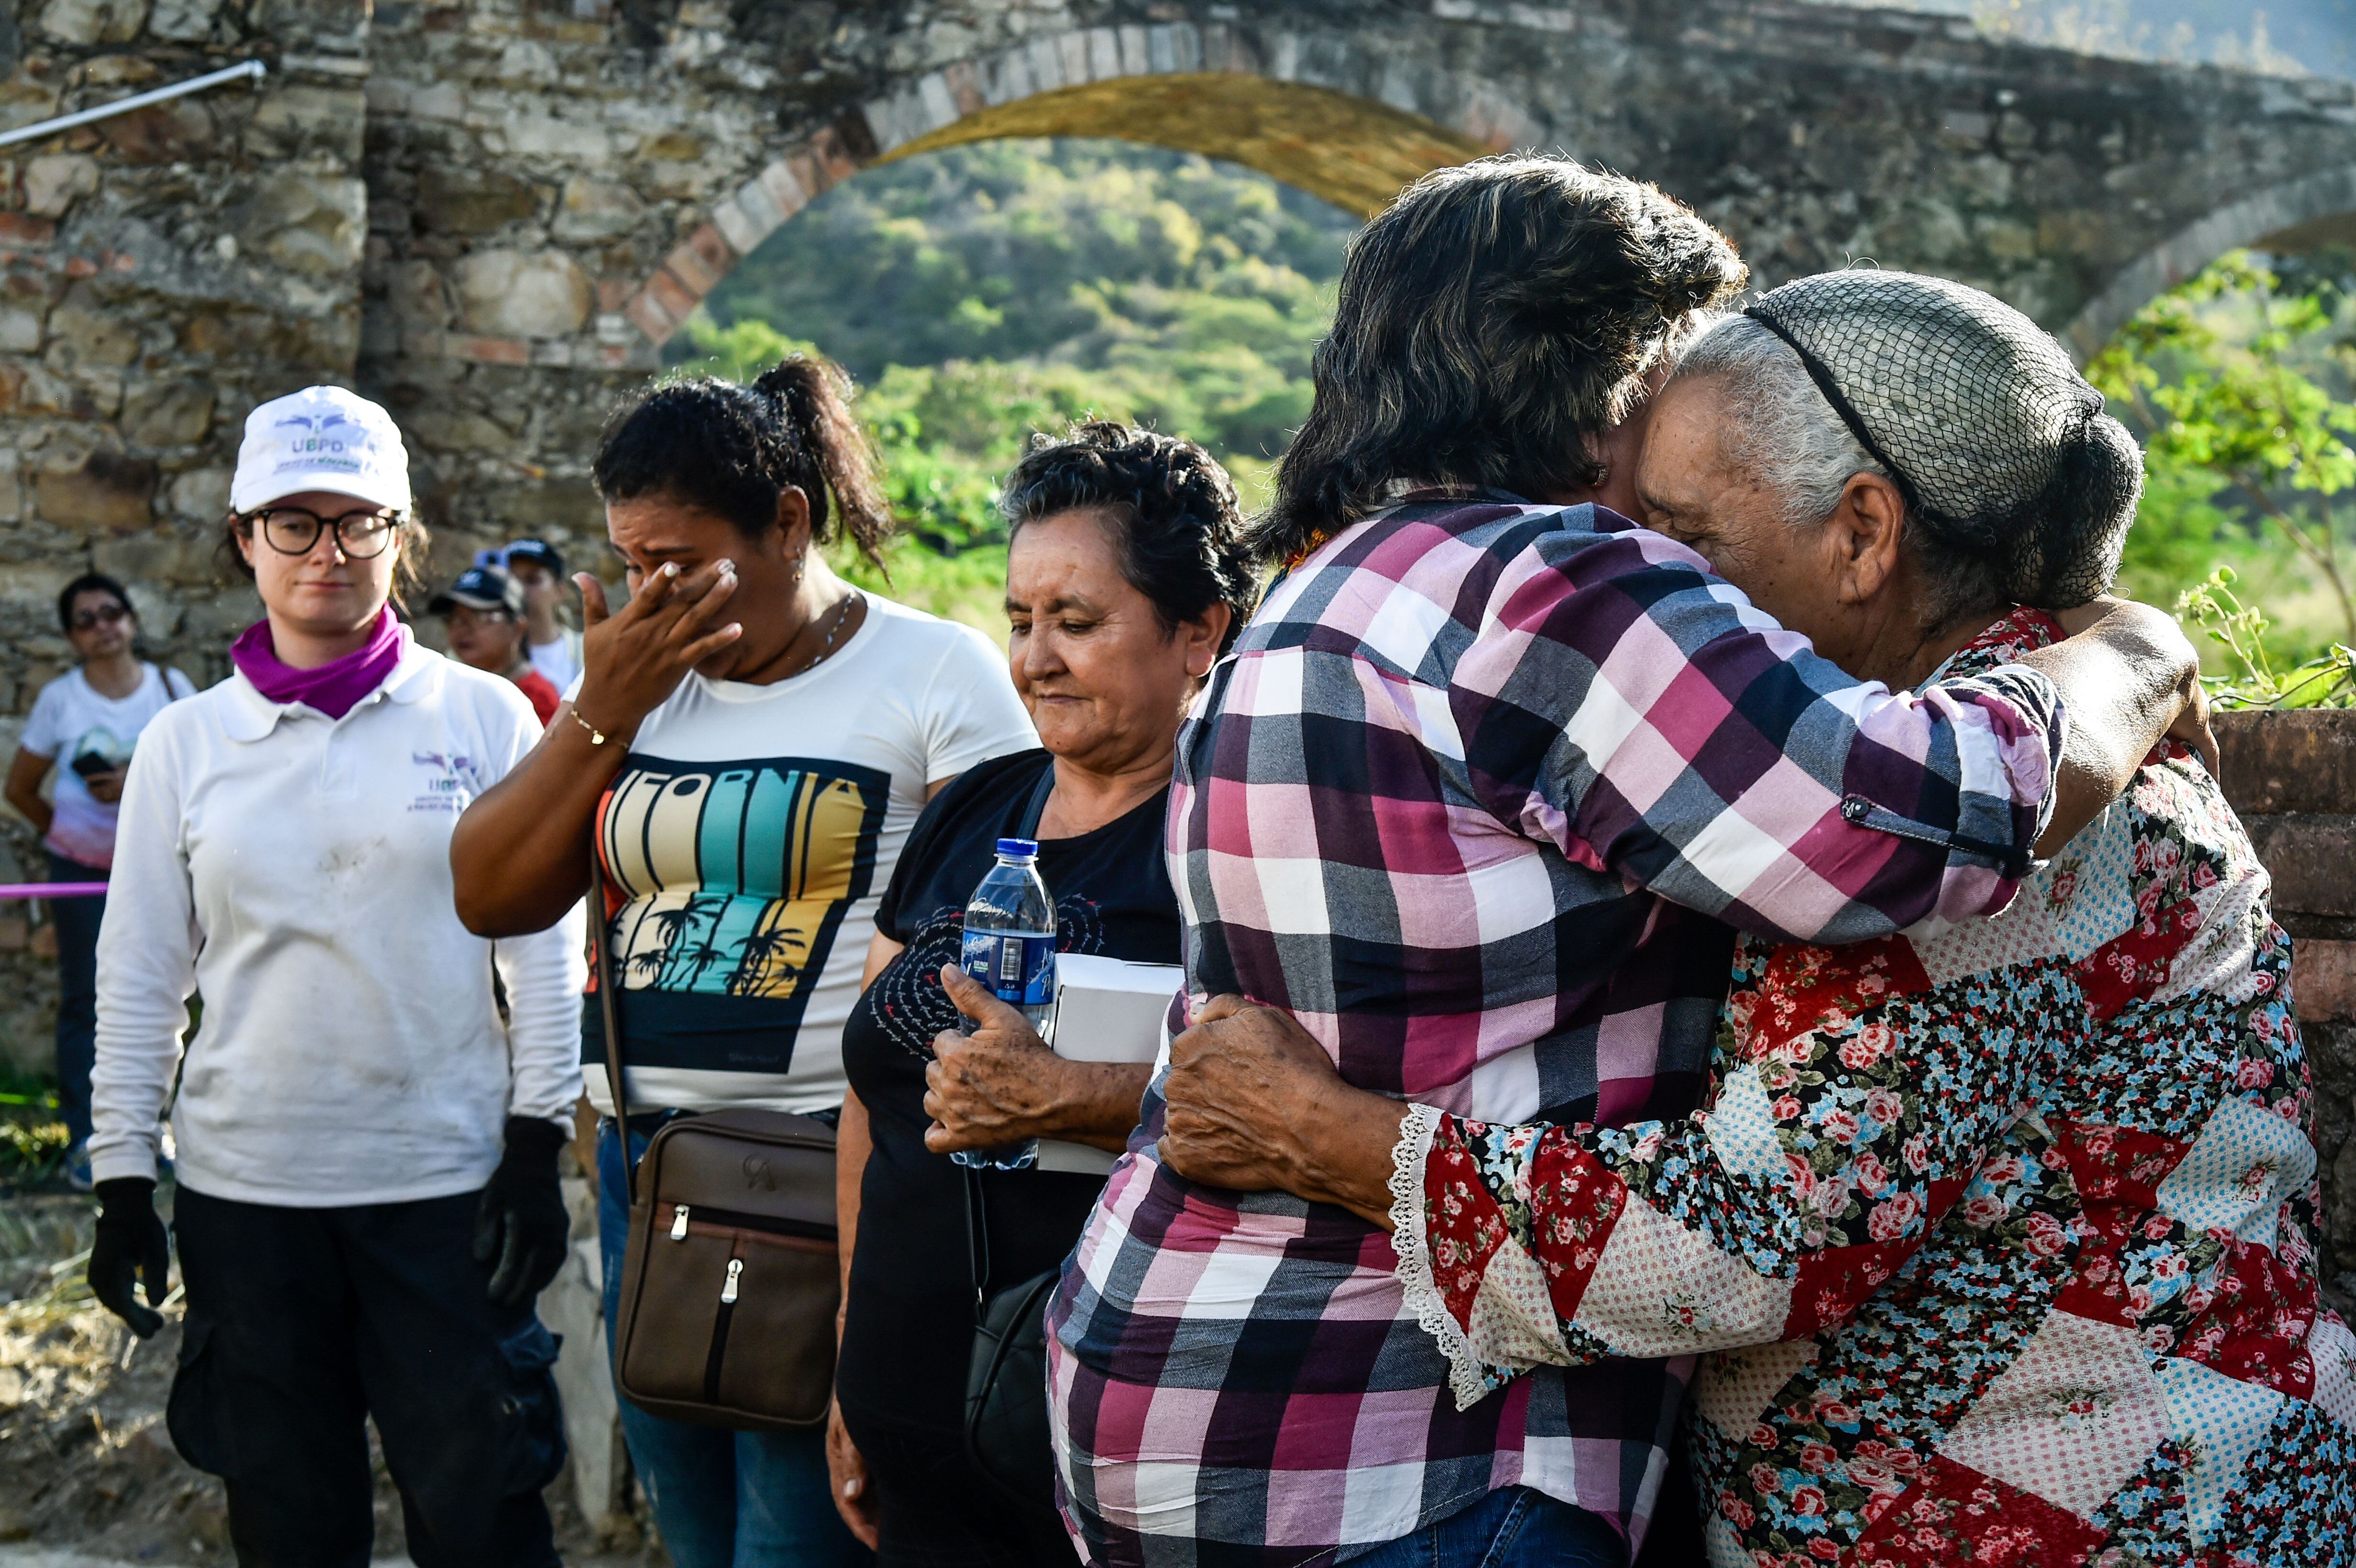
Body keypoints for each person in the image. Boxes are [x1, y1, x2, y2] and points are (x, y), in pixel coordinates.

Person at [1045, 157, 2215, 1568]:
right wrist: (2133, 652)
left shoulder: (1328, 590)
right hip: (1404, 1434)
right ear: (1613, 385)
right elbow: (1914, 813)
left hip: (1187, 1363)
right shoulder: (1557, 582)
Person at [450, 356, 1037, 1568]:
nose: (652, 593)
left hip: (821, 1173)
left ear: (787, 522)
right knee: (695, 1534)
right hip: (647, 1166)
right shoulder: (641, 691)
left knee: (793, 1537)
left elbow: (995, 938)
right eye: (630, 564)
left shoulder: (934, 675)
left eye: (681, 561)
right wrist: (603, 708)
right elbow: (489, 891)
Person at [81, 384, 586, 1567]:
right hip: (249, 1197)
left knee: (484, 1513)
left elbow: (545, 954)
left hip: (446, 1190)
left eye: (360, 521)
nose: (328, 551)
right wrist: (121, 1178)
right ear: (245, 538)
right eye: (294, 522)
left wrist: (535, 1142)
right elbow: (142, 974)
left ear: (402, 537)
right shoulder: (186, 743)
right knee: (290, 1521)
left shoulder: (486, 719)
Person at [829, 423, 1257, 1565]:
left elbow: (1294, 1103)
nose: (1034, 659)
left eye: (1076, 621)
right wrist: (846, 1351)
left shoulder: (1235, 837)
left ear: (1200, 631)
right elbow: (869, 1097)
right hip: (907, 1407)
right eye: (1020, 620)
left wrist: (1072, 1092)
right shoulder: (975, 809)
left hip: (1111, 1430)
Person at [3, 573, 194, 1191]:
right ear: (70, 637)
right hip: (82, 874)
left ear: (132, 620)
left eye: (111, 612)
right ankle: (88, 1138)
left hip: (163, 868)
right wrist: (68, 836)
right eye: (85, 619)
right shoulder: (61, 700)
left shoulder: (172, 689)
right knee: (87, 998)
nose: (102, 627)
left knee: (171, 992)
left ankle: (159, 1131)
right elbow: (19, 788)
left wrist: (134, 780)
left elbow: (202, 776)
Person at [432, 563, 562, 723]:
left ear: (518, 628)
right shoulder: (439, 688)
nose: (463, 629)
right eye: (454, 618)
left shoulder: (538, 700)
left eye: (481, 617)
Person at [502, 537, 583, 691]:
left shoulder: (587, 653)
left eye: (533, 580)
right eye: (510, 581)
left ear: (559, 591)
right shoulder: (485, 653)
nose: (520, 590)